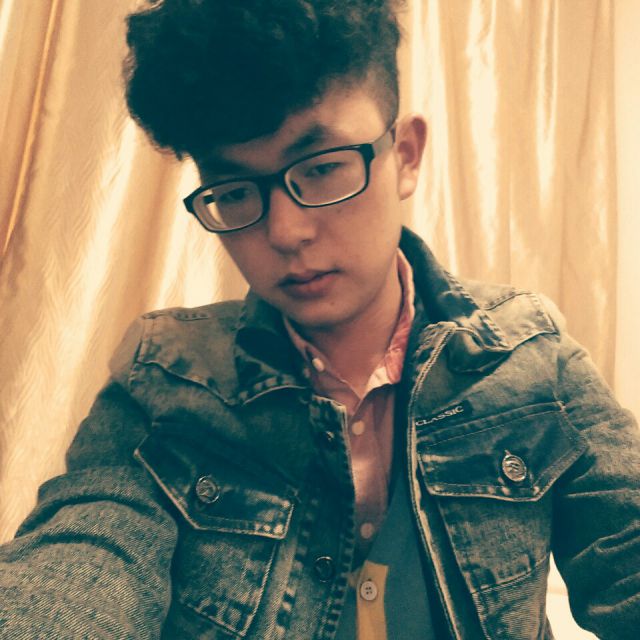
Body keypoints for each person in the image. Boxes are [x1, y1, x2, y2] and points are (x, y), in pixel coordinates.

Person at [1, 1, 638, 638]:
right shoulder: (166, 380)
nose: (286, 231)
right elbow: (81, 554)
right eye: (234, 191)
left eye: (323, 168)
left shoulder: (530, 356)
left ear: (405, 155)